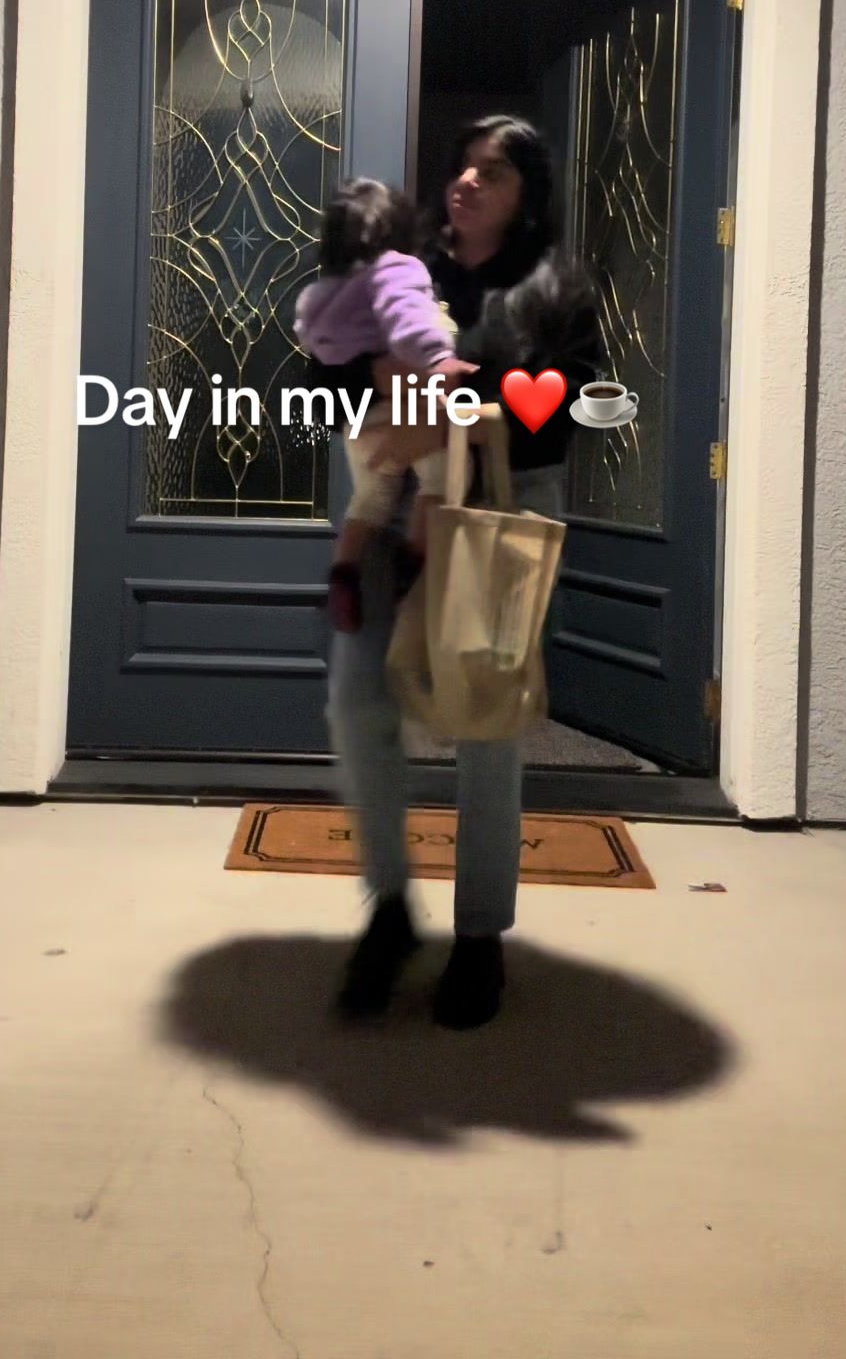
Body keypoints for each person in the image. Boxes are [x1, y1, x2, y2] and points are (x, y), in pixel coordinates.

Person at [306, 115, 600, 1031]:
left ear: (527, 194)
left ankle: (479, 939)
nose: (468, 182)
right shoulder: (402, 265)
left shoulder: (557, 287)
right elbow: (320, 375)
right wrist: (377, 385)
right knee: (357, 702)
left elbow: (569, 411)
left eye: (493, 173)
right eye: (463, 167)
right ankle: (390, 909)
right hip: (391, 504)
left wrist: (454, 407)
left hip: (503, 511)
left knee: (486, 724)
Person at [293, 179, 474, 633]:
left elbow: (319, 359)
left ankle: (344, 570)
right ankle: (414, 561)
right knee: (444, 475)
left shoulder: (331, 294)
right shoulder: (399, 274)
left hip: (361, 424)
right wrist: (433, 364)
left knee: (371, 496)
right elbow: (413, 330)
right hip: (404, 410)